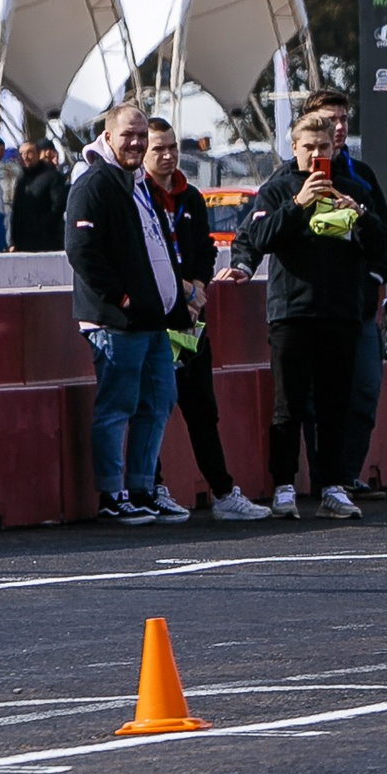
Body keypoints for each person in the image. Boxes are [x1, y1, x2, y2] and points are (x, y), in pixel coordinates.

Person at [224, 113, 387, 520]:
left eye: (324, 148)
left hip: (341, 311)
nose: (317, 156)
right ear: (294, 149)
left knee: (337, 404)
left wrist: (360, 215)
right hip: (291, 312)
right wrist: (298, 205)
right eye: (309, 148)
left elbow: (384, 246)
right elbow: (260, 239)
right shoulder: (277, 190)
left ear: (335, 149)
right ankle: (283, 485)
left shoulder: (354, 188)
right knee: (289, 406)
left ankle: (332, 485)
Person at [66, 103, 190, 525]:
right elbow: (82, 250)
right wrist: (120, 299)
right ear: (108, 135)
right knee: (117, 406)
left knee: (158, 402)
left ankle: (142, 487)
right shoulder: (94, 182)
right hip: (117, 322)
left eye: (141, 135)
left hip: (153, 321)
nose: (136, 143)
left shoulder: (136, 182)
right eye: (128, 135)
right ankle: (112, 493)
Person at [143, 117, 270, 522]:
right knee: (154, 409)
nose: (166, 156)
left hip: (192, 322)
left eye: (171, 148)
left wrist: (197, 288)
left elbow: (206, 249)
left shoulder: (192, 198)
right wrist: (177, 287)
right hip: (152, 319)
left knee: (202, 409)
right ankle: (152, 486)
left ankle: (222, 491)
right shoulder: (137, 196)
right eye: (157, 149)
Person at [301, 88, 387, 497]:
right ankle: (320, 477)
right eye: (327, 121)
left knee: (364, 391)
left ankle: (346, 473)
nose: (337, 129)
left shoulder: (361, 177)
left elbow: (386, 239)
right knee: (310, 401)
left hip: (356, 309)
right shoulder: (289, 179)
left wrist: (374, 279)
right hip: (307, 310)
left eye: (342, 120)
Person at [7, 141, 68, 252]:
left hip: (47, 243)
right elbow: (16, 213)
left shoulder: (52, 176)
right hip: (23, 244)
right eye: (22, 154)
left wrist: (40, 227)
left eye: (29, 153)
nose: (25, 157)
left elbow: (58, 207)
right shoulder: (21, 182)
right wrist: (13, 241)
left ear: (38, 154)